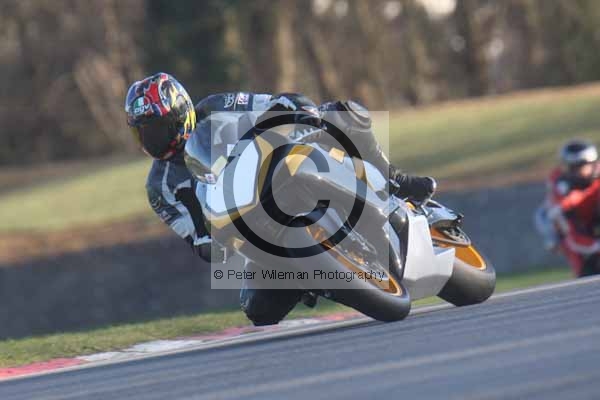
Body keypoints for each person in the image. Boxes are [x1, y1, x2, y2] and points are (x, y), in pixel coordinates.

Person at [125, 72, 436, 325]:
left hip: (277, 171)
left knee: (342, 114)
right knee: (259, 310)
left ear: (179, 115)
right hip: (250, 227)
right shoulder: (159, 187)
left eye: (155, 129)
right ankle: (314, 275)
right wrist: (210, 241)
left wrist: (296, 108)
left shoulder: (216, 106)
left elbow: (270, 103)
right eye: (142, 133)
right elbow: (196, 238)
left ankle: (395, 180)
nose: (151, 141)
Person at [535, 140, 600, 277]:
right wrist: (596, 246)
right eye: (574, 168)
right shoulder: (562, 192)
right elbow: (572, 237)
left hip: (592, 218)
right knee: (586, 271)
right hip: (569, 229)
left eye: (582, 166)